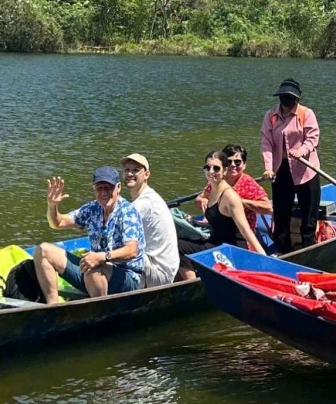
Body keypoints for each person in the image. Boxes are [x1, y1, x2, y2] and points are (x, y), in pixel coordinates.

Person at [33, 166, 145, 303]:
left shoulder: (127, 212)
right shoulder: (93, 209)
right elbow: (58, 223)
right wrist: (52, 205)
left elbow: (132, 250)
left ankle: (101, 313)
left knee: (93, 265)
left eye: (108, 187)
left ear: (118, 187)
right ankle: (53, 308)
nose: (104, 192)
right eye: (99, 188)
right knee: (43, 250)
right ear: (94, 190)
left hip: (126, 279)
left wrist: (101, 257)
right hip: (92, 273)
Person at [174, 149, 270, 280]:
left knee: (178, 247)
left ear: (225, 171)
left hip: (230, 249)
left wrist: (263, 257)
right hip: (216, 241)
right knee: (175, 241)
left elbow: (245, 229)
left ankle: (192, 285)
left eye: (216, 168)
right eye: (207, 168)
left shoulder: (229, 196)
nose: (211, 172)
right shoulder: (212, 189)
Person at [261, 77, 321, 253]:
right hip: (281, 170)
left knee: (309, 213)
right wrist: (268, 167)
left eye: (290, 98)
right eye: (283, 97)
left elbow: (313, 138)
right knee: (280, 213)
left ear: (297, 99)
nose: (286, 102)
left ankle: (308, 247)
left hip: (306, 169)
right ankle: (283, 249)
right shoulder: (271, 116)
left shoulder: (306, 114)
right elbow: (266, 142)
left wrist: (301, 151)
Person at [121, 153, 179, 288]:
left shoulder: (145, 202)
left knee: (116, 251)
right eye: (127, 170)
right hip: (157, 267)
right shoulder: (144, 198)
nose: (130, 174)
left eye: (135, 170)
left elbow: (116, 227)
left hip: (160, 274)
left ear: (146, 174)